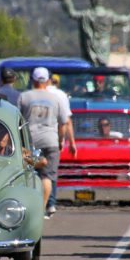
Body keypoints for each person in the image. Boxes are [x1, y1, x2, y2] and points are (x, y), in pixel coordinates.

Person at [17, 67, 70, 219]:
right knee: (47, 176)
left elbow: (17, 119)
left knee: (29, 173)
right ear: (47, 81)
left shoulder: (24, 96)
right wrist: (60, 140)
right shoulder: (56, 98)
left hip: (30, 141)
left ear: (33, 80)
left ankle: (27, 207)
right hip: (50, 141)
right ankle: (42, 209)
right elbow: (63, 122)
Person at [60, 0, 130, 66]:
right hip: (104, 48)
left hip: (89, 48)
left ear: (91, 0)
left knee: (90, 68)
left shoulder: (86, 15)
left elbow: (72, 13)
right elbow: (125, 19)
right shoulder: (109, 16)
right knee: (102, 70)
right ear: (102, 0)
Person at [46, 73, 76, 217]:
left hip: (35, 137)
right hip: (53, 138)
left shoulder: (36, 94)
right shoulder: (61, 95)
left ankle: (42, 203)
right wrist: (69, 142)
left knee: (37, 173)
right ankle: (51, 203)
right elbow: (66, 121)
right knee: (51, 173)